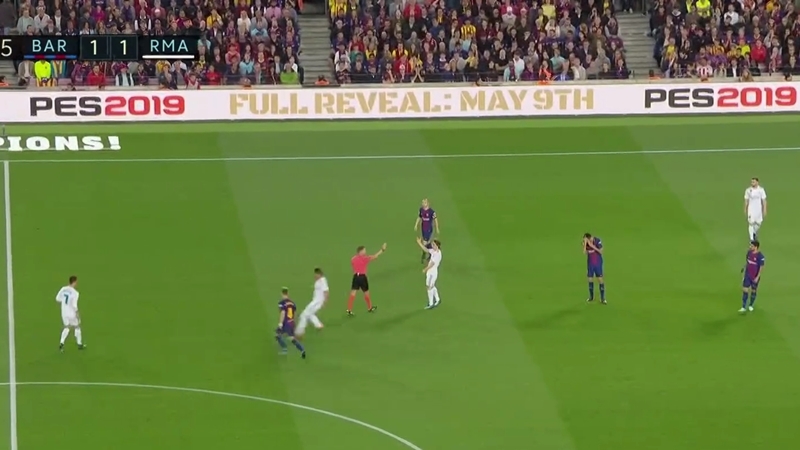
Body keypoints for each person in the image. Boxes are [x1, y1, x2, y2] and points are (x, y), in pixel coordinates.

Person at [347, 243, 386, 316]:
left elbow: (353, 265)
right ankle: (370, 307)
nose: (365, 251)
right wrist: (382, 250)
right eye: (364, 250)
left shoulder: (353, 259)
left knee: (353, 293)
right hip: (362, 277)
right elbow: (375, 256)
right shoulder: (365, 258)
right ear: (360, 251)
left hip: (355, 277)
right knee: (366, 293)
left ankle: (349, 309)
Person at [55, 276, 85, 352]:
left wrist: (64, 303)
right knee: (77, 326)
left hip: (64, 313)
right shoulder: (75, 293)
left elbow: (57, 299)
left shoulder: (63, 289)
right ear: (74, 282)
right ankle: (79, 344)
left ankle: (61, 343)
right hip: (71, 313)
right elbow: (74, 305)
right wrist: (77, 314)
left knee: (67, 327)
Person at [296, 268, 328, 336]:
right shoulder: (318, 281)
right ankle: (319, 325)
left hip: (318, 302)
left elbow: (326, 292)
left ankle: (300, 331)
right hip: (315, 301)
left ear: (319, 274)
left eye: (316, 274)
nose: (315, 275)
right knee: (310, 313)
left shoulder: (322, 281)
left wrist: (324, 302)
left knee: (304, 314)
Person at [276, 288, 306, 358]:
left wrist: (280, 324)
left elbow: (283, 313)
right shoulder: (292, 303)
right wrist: (294, 323)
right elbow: (295, 314)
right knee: (278, 335)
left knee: (290, 338)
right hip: (291, 322)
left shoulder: (281, 303)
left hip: (285, 323)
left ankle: (287, 349)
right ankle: (301, 350)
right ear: (288, 293)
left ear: (282, 294)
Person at [415, 237, 442, 309]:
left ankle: (431, 303)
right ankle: (437, 299)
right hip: (430, 272)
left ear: (437, 245)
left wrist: (425, 269)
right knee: (431, 286)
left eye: (433, 244)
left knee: (429, 287)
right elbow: (426, 250)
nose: (432, 245)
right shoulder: (433, 251)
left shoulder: (438, 254)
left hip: (432, 273)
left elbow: (432, 264)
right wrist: (419, 243)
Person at [740, 241, 765, 313]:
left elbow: (761, 267)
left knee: (753, 291)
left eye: (752, 246)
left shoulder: (760, 256)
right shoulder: (749, 253)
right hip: (747, 274)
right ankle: (743, 307)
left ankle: (750, 305)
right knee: (745, 290)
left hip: (754, 276)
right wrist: (744, 267)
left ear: (756, 247)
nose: (750, 247)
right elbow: (748, 262)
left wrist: (757, 277)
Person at [414, 198, 439, 264]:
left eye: (424, 202)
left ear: (427, 203)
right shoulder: (421, 210)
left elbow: (435, 219)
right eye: (422, 202)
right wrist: (416, 225)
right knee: (427, 242)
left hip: (428, 229)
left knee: (425, 243)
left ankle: (425, 254)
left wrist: (437, 228)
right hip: (423, 228)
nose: (423, 204)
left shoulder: (431, 212)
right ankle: (429, 254)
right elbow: (419, 217)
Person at [584, 233, 606, 304]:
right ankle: (591, 297)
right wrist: (585, 244)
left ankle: (602, 298)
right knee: (590, 279)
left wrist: (592, 246)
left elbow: (601, 252)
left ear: (590, 237)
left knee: (600, 280)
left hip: (597, 263)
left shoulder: (597, 240)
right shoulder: (586, 243)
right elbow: (584, 252)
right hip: (590, 264)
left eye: (586, 239)